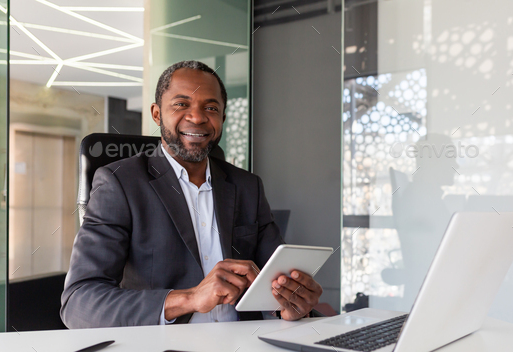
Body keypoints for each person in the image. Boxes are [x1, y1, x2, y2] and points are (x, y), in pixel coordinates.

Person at [60, 60, 323, 328]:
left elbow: (275, 283)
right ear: (156, 114)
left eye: (210, 107)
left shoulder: (247, 187)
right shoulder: (119, 184)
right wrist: (189, 298)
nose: (197, 117)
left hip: (246, 350)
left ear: (222, 117)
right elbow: (79, 304)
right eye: (181, 104)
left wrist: (291, 305)